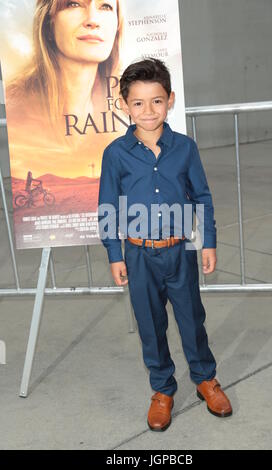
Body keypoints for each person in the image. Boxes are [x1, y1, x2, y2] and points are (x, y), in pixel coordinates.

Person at [98, 58, 232, 432]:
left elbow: (202, 197)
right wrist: (114, 254)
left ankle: (206, 378)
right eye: (138, 103)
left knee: (192, 318)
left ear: (170, 100)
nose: (148, 110)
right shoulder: (115, 154)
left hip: (180, 251)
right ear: (124, 105)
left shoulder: (185, 148)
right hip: (138, 255)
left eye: (156, 101)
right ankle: (162, 390)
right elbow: (108, 206)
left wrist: (207, 242)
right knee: (150, 324)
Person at [5, 0, 125, 180]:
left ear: (117, 26)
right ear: (48, 23)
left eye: (105, 6)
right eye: (74, 4)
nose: (92, 20)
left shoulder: (131, 106)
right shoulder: (15, 106)